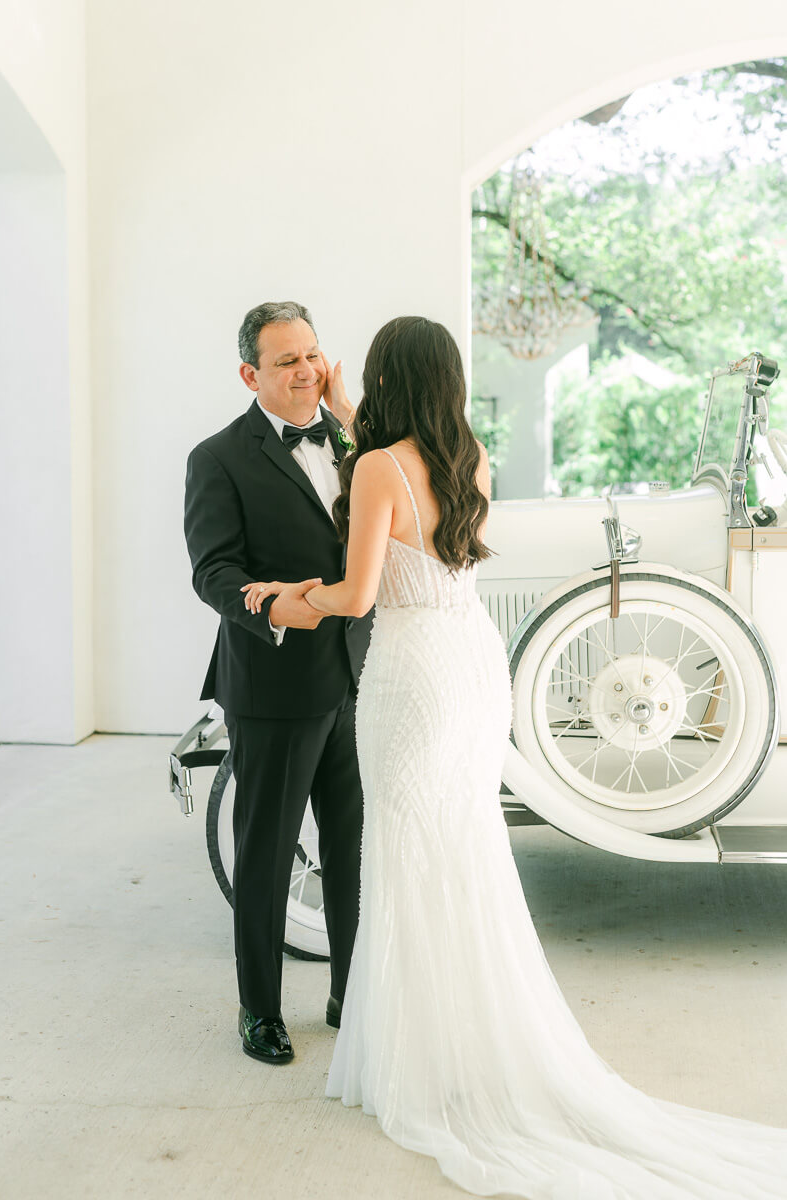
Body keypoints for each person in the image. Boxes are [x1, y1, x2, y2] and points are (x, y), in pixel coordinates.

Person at [243, 314, 787, 1197]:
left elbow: (355, 595)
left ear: (382, 378)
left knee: (405, 852)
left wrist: (279, 596)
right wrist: (351, 411)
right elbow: (405, 500)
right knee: (460, 848)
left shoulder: (377, 468)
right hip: (471, 664)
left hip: (412, 669)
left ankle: (414, 1060)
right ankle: (458, 1039)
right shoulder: (472, 456)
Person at [184, 301, 372, 1065]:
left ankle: (348, 994)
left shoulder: (357, 444)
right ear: (249, 374)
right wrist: (272, 607)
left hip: (356, 678)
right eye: (288, 360)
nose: (305, 371)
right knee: (264, 856)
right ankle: (259, 1010)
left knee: (353, 852)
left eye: (314, 355)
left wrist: (348, 413)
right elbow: (213, 571)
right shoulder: (217, 457)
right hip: (271, 682)